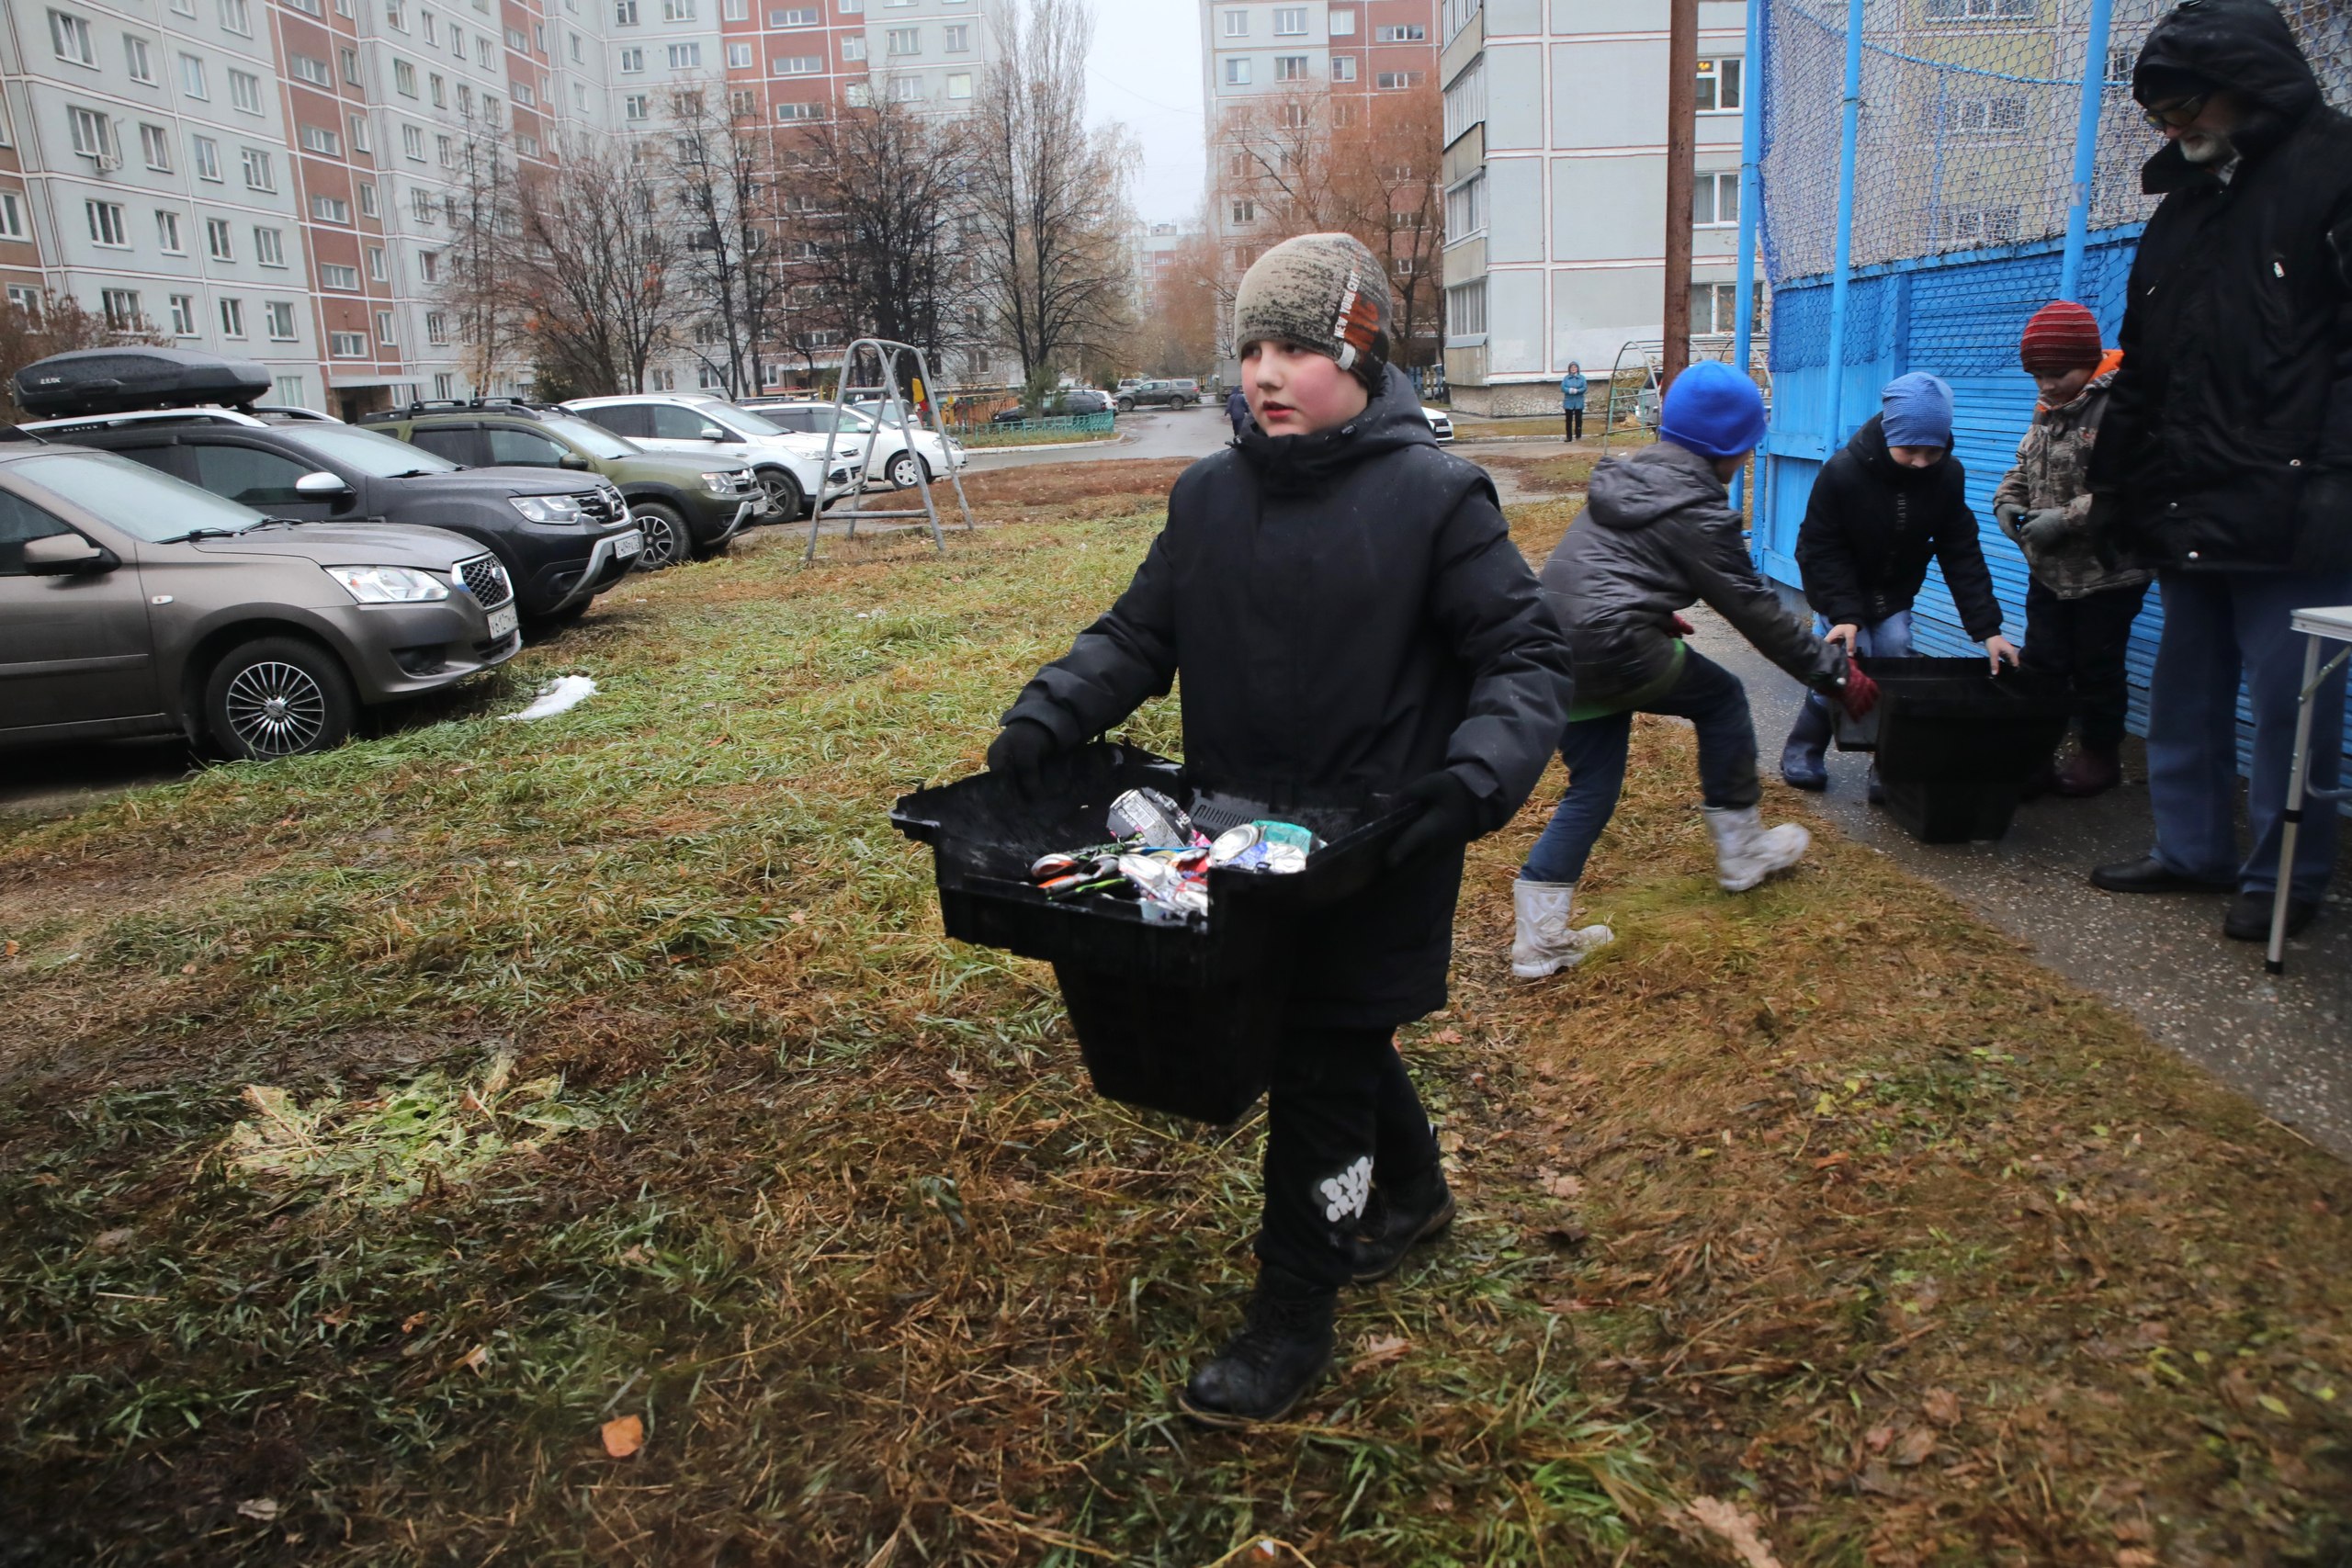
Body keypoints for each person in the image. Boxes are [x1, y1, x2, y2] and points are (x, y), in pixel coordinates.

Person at [983, 232, 1574, 1426]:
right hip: (1247, 844)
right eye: (1250, 346)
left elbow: (1523, 650)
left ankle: (1290, 1315)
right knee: (1331, 1032)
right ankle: (1417, 1192)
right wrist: (1050, 712)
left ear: (1359, 354)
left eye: (1297, 345)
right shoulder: (1208, 497)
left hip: (1387, 846)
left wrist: (1470, 779)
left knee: (1320, 1062)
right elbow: (1138, 634)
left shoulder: (1433, 498)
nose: (1265, 370)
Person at [2084, 0, 2352, 942]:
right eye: (2157, 113)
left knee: (2291, 707)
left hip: (2296, 503)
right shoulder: (2182, 211)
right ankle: (2187, 848)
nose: (2170, 127)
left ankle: (2285, 877)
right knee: (2184, 690)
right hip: (2188, 493)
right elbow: (2145, 364)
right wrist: (2112, 483)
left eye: (2184, 105)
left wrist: (2334, 478)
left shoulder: (2333, 171)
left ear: (2248, 84)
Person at [1511, 361, 1877, 979]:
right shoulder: (1699, 508)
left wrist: (1653, 611)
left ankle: (1538, 941)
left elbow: (1604, 571)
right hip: (1615, 646)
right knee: (1722, 696)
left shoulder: (1628, 478)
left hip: (1554, 646)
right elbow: (1754, 609)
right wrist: (1834, 673)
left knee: (1592, 788)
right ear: (1736, 448)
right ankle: (1742, 854)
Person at [1778, 373, 2019, 795]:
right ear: (1890, 432)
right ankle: (1804, 748)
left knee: (1894, 658)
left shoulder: (1947, 477)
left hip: (1893, 595)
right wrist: (1845, 614)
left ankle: (1888, 763)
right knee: (1841, 668)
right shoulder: (1843, 473)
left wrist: (1989, 630)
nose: (1923, 461)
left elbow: (1960, 551)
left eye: (1934, 450)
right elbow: (1819, 548)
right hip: (1841, 593)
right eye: (1911, 450)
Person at [1990, 300, 2151, 799]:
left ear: (2089, 361)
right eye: (2035, 375)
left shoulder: (2124, 403)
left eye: (2056, 373)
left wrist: (2066, 519)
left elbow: (2135, 487)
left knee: (2097, 669)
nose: (2044, 385)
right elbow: (2024, 462)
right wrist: (2007, 503)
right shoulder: (2048, 406)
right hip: (2050, 574)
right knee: (2042, 665)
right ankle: (2034, 757)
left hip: (2107, 574)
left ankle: (2100, 757)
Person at [1560, 362, 1588, 443]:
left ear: (1577, 369)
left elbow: (1584, 387)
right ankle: (1569, 437)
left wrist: (1577, 391)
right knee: (1569, 420)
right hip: (1569, 401)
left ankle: (1578, 435)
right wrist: (1569, 390)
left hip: (1578, 401)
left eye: (1575, 367)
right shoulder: (1566, 378)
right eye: (1572, 367)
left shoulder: (1582, 378)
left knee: (1578, 419)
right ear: (1569, 369)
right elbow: (1562, 388)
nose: (1573, 369)